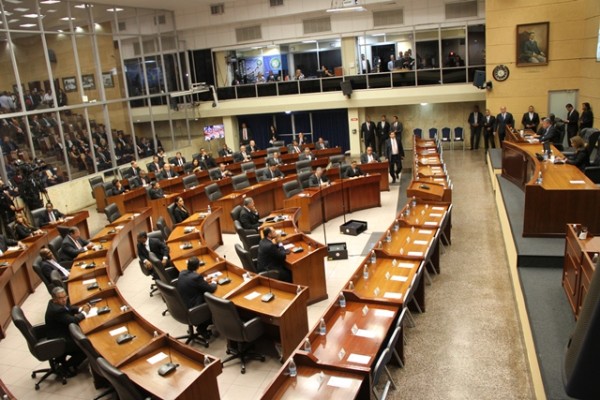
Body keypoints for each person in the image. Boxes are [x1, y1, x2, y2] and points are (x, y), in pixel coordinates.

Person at [45, 287, 89, 376]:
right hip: (60, 339)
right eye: (60, 298)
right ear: (54, 299)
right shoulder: (57, 310)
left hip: (59, 332)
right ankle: (66, 367)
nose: (64, 300)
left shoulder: (54, 303)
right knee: (85, 346)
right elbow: (73, 320)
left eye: (65, 297)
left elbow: (68, 308)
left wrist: (80, 309)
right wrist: (84, 313)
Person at [176, 257, 217, 339]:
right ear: (198, 266)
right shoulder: (197, 277)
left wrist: (204, 281)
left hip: (182, 304)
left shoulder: (182, 273)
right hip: (194, 307)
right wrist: (214, 282)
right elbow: (211, 289)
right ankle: (202, 328)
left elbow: (193, 283)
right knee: (214, 304)